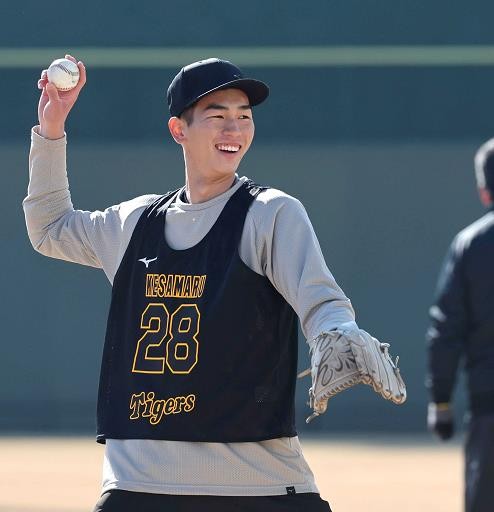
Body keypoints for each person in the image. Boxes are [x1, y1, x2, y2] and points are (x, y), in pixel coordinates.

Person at [25, 54, 398, 512]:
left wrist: (338, 331)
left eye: (244, 117)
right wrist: (52, 129)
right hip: (139, 483)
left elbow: (321, 301)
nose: (234, 130)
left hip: (255, 482)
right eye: (217, 116)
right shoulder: (136, 222)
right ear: (179, 130)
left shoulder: (270, 212)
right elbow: (49, 228)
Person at [426, 139, 494, 512]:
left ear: (484, 192)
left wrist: (441, 401)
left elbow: (446, 330)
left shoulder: (470, 245)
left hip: (489, 411)